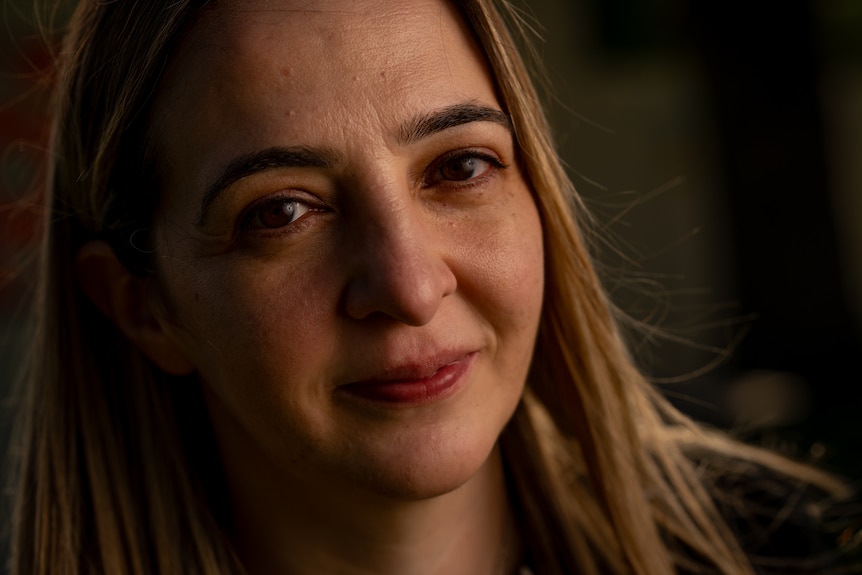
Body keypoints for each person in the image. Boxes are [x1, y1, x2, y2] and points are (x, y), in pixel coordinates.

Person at [7, 0, 858, 574]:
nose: (410, 286)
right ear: (143, 308)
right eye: (281, 212)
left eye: (460, 166)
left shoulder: (772, 551)